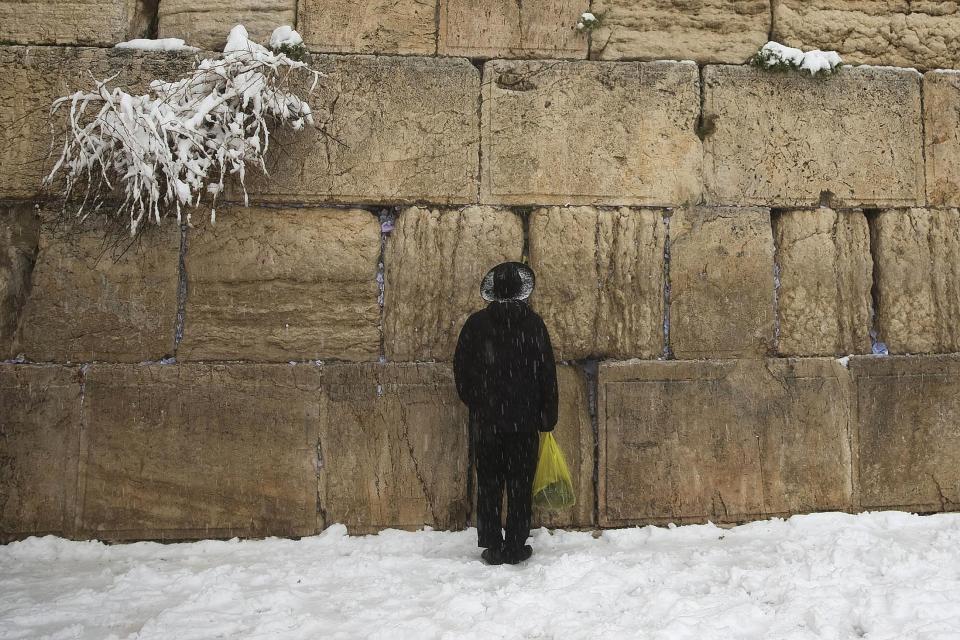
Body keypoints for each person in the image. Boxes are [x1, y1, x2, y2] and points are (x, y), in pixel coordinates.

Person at [453, 261, 559, 565]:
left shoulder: (476, 325)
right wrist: (547, 416)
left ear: (494, 292)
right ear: (521, 291)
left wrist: (477, 402)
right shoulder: (533, 325)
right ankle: (515, 543)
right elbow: (547, 373)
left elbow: (461, 370)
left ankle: (492, 544)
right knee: (520, 483)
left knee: (488, 482)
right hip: (523, 421)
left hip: (488, 422)